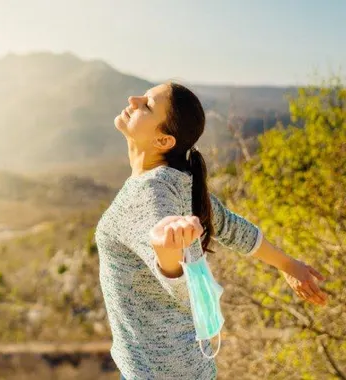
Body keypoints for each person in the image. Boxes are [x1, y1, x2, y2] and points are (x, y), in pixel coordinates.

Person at [95, 82, 329, 379]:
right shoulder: (181, 181)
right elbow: (232, 227)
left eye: (149, 105)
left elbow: (176, 277)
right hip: (190, 363)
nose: (134, 99)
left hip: (158, 371)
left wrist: (168, 255)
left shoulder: (149, 192)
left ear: (164, 141)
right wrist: (288, 264)